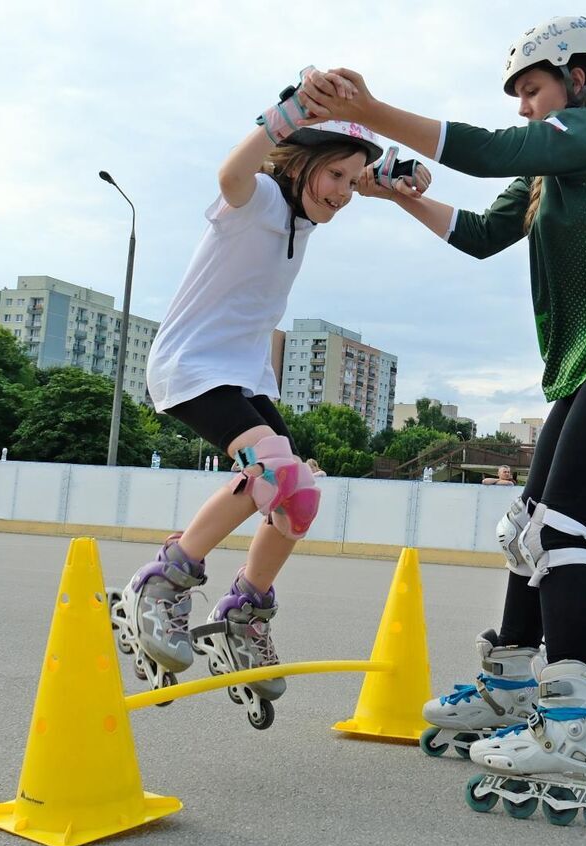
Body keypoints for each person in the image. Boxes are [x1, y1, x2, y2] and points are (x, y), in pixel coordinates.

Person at [302, 16, 586, 822]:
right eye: (517, 96)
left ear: (579, 76)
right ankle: (512, 687)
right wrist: (392, 194)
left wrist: (372, 110)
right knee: (526, 528)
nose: (523, 107)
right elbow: (484, 234)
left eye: (532, 89)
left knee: (564, 533)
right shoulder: (553, 174)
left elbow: (491, 148)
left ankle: (579, 728)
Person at [111, 67, 431, 727]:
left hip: (247, 375)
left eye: (349, 182)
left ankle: (243, 614)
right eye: (332, 178)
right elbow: (232, 173)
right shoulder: (256, 198)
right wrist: (282, 117)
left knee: (298, 495)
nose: (342, 194)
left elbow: (362, 173)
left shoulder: (309, 212)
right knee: (278, 473)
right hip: (191, 366)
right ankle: (161, 583)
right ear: (300, 162)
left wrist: (398, 175)